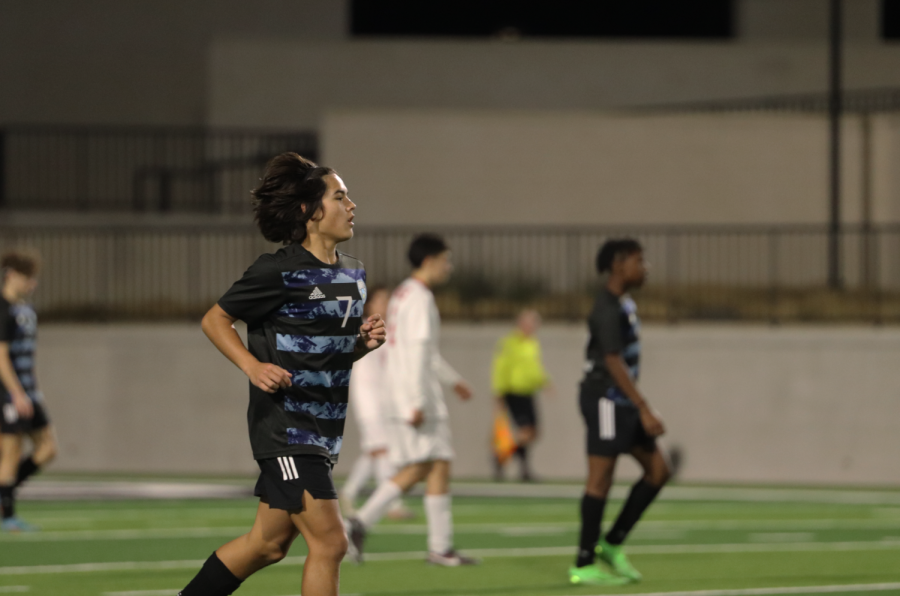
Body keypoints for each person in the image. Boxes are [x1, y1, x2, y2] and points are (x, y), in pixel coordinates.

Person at [178, 153, 386, 596]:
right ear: (309, 212)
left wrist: (362, 345)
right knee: (331, 542)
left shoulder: (354, 274)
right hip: (286, 430)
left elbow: (327, 355)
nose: (351, 206)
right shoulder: (276, 270)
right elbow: (215, 320)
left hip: (325, 429)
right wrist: (251, 365)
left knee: (266, 545)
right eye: (340, 196)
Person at [347, 234, 478, 566]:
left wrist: (455, 381)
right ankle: (364, 524)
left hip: (401, 393)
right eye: (446, 259)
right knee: (433, 463)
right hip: (414, 396)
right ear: (430, 260)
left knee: (428, 465)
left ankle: (435, 545)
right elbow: (419, 352)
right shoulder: (419, 297)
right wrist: (416, 401)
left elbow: (419, 351)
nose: (449, 267)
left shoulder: (403, 294)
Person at [569, 238, 670, 586]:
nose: (645, 268)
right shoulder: (606, 307)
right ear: (618, 264)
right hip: (605, 400)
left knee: (658, 471)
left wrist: (638, 404)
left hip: (621, 401)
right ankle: (583, 562)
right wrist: (644, 407)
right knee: (601, 478)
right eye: (639, 261)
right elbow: (612, 360)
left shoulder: (624, 303)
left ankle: (611, 544)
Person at [339, 285, 413, 520]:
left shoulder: (392, 329)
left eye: (388, 299)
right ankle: (392, 504)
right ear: (369, 304)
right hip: (367, 398)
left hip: (384, 399)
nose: (386, 304)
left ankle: (348, 493)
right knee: (381, 449)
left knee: (373, 450)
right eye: (381, 299)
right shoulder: (362, 326)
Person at [0, 251, 58, 533]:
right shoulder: (3, 308)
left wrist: (32, 391)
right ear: (11, 275)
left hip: (28, 392)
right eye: (28, 278)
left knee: (47, 448)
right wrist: (17, 393)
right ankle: (7, 515)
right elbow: (0, 356)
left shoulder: (24, 311)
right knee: (9, 453)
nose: (32, 284)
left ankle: (4, 495)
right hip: (9, 393)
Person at [491, 308, 551, 482]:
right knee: (525, 431)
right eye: (530, 322)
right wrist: (499, 391)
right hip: (514, 391)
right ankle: (509, 461)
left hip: (528, 391)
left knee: (533, 432)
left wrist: (545, 382)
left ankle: (507, 458)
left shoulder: (532, 343)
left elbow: (534, 367)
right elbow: (500, 367)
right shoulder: (509, 343)